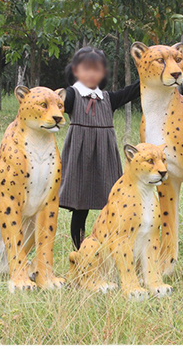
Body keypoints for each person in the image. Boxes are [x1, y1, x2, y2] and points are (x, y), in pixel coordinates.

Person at [59, 47, 141, 250]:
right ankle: (80, 251)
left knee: (113, 201)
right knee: (81, 205)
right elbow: (53, 104)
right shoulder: (71, 95)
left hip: (105, 155)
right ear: (76, 71)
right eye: (86, 68)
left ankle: (113, 246)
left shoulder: (107, 98)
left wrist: (149, 73)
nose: (91, 73)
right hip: (80, 155)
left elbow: (132, 91)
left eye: (96, 69)